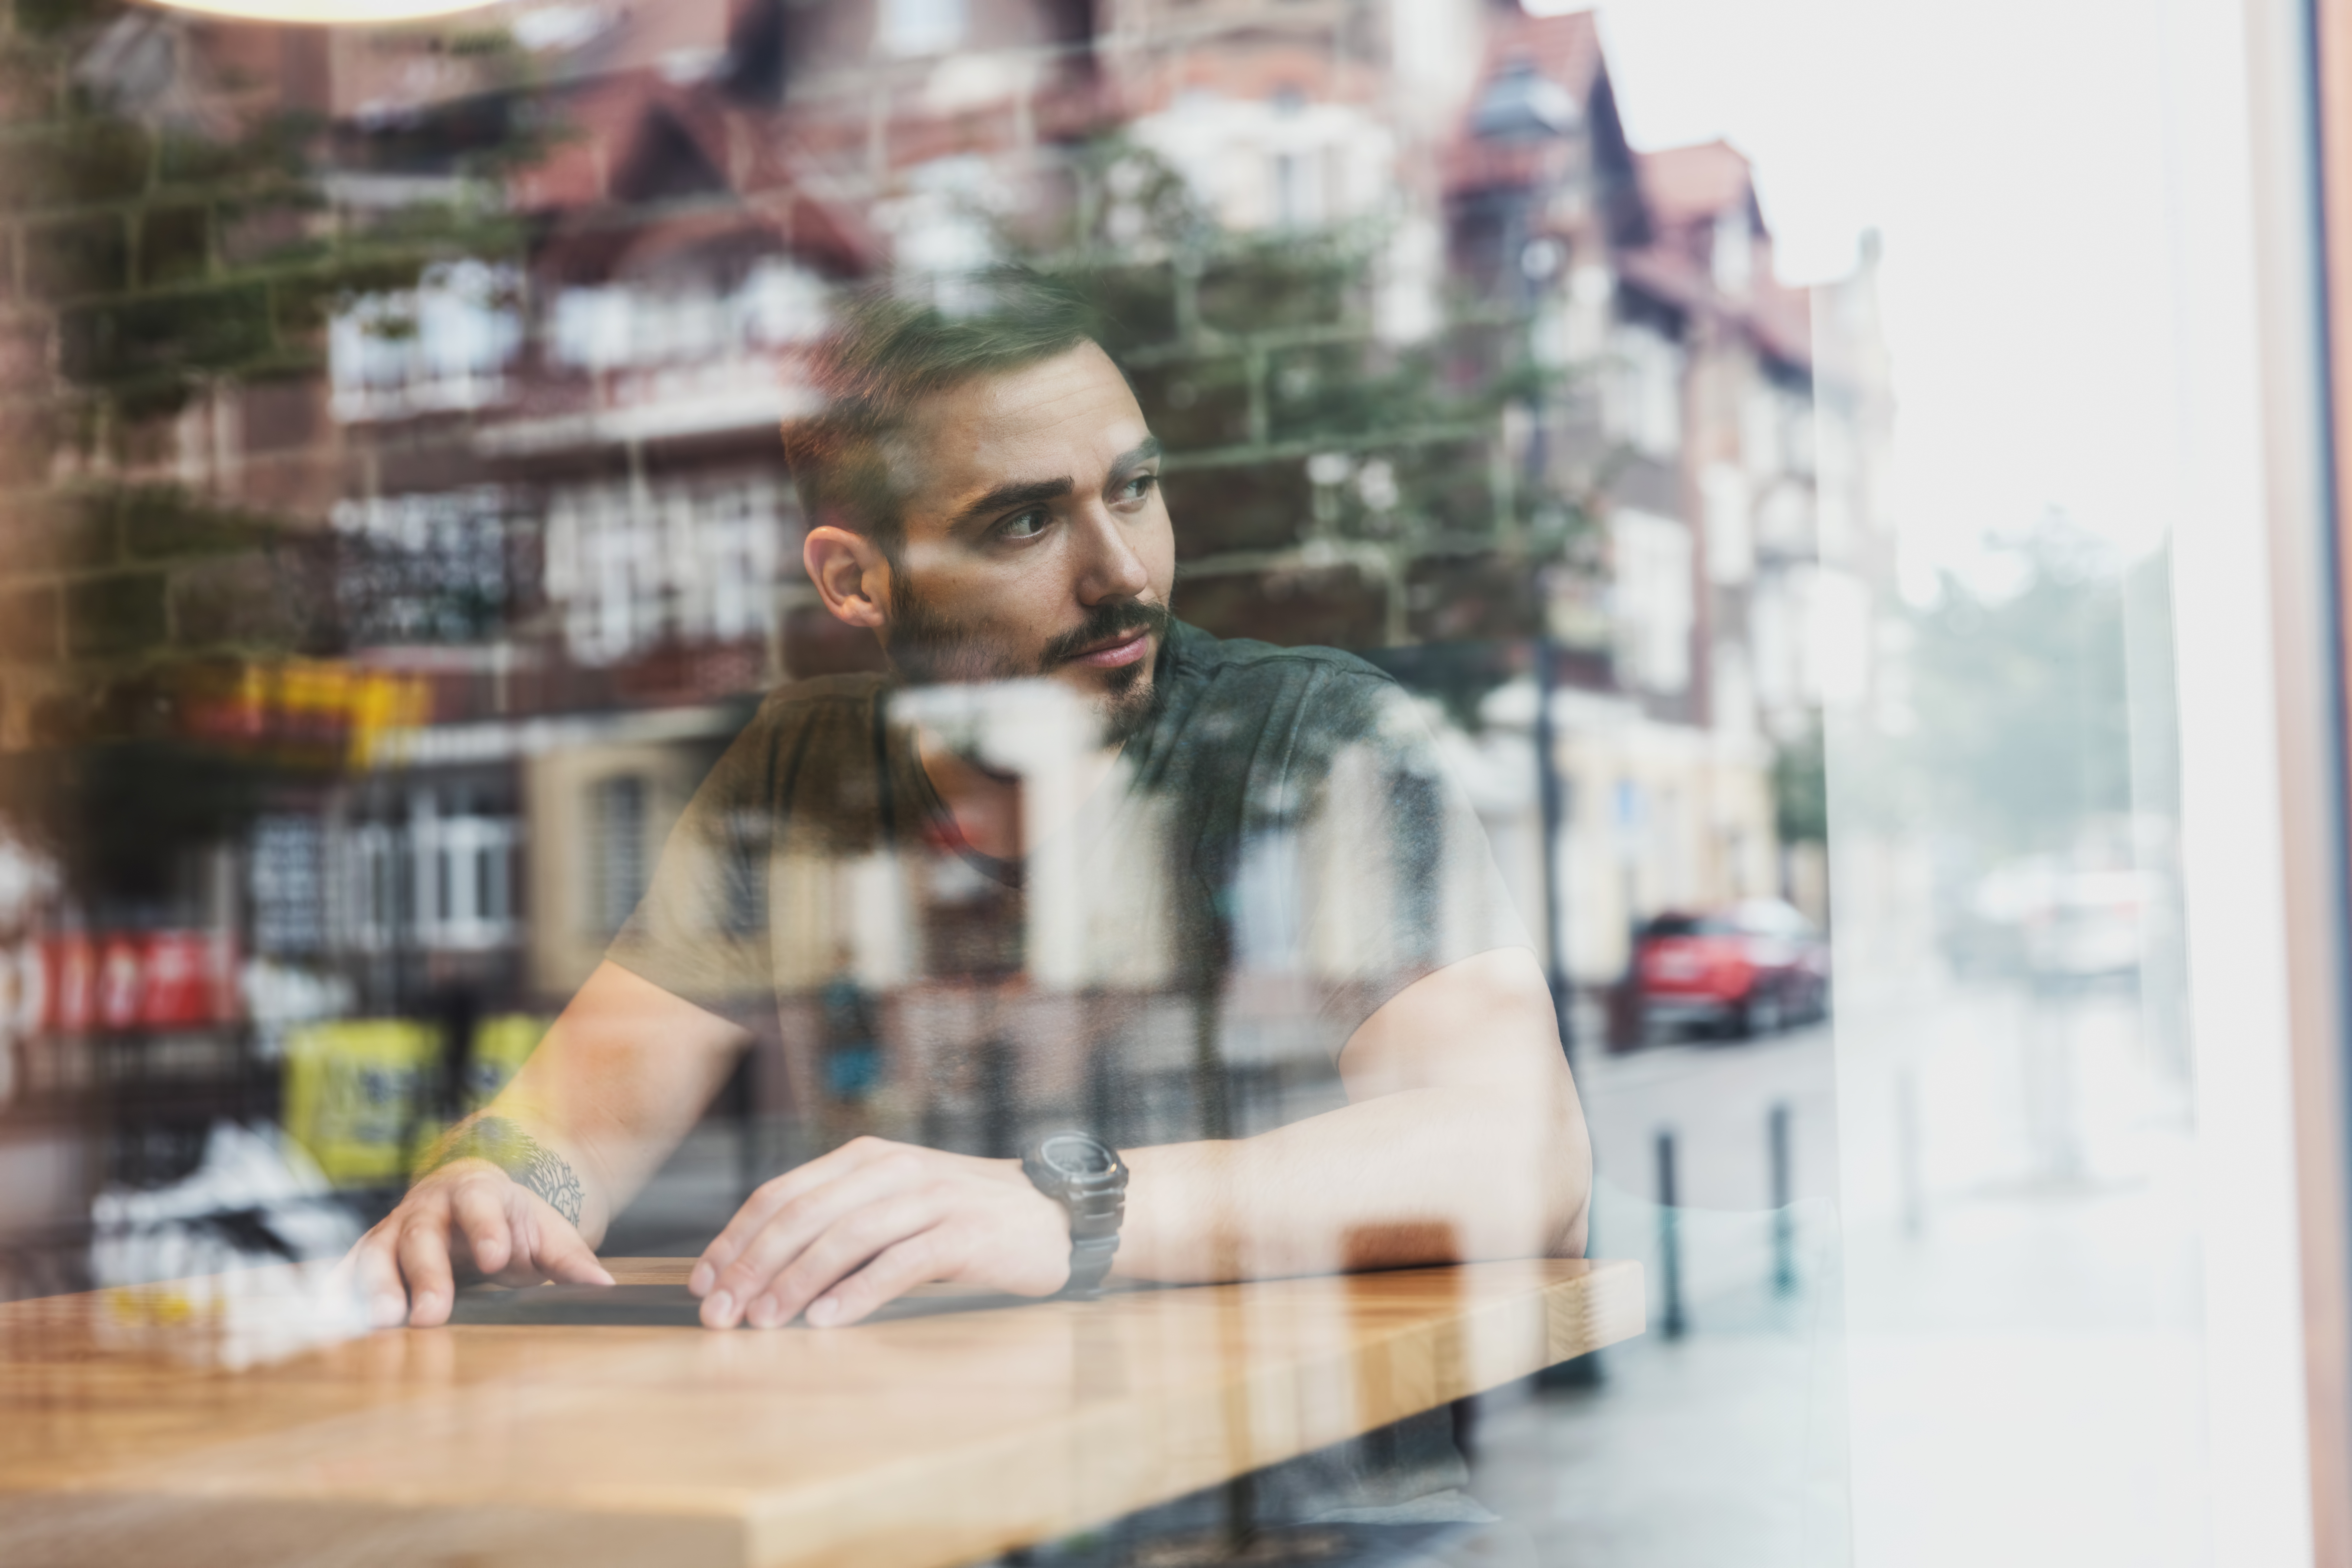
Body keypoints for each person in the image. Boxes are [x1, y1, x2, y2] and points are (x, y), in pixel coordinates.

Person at [343, 271, 1591, 1343]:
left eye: (1136, 488)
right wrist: (491, 1188)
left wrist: (1062, 1205)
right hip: (937, 1482)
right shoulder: (799, 769)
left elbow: (1523, 1152)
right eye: (1028, 521)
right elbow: (574, 1125)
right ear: (856, 580)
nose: (1122, 571)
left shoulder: (1309, 738)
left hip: (1276, 1498)